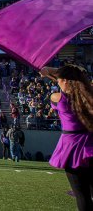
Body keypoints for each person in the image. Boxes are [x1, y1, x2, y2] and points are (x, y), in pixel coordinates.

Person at [40, 65, 93, 211]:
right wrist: (52, 73)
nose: (57, 82)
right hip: (90, 144)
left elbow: (62, 90)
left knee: (82, 195)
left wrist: (47, 71)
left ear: (65, 81)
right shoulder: (89, 96)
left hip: (73, 148)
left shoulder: (57, 98)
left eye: (59, 80)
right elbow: (74, 82)